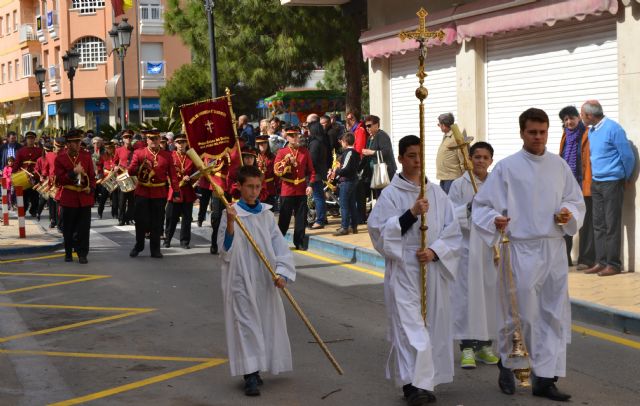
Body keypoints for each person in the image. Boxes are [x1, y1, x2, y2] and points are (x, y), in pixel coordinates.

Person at [472, 108, 585, 402]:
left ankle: (545, 379)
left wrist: (567, 214)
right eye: (533, 132)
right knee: (520, 315)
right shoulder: (507, 168)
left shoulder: (559, 166)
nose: (538, 137)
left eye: (543, 132)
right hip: (519, 248)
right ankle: (508, 365)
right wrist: (495, 219)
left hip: (553, 248)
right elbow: (483, 206)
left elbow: (574, 201)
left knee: (553, 314)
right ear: (522, 132)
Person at [368, 135, 462, 406]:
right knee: (409, 329)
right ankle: (411, 386)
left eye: (421, 154)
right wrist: (410, 213)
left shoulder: (436, 193)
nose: (417, 160)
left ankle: (425, 382)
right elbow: (378, 232)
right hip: (405, 269)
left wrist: (435, 251)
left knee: (431, 326)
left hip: (431, 269)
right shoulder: (391, 194)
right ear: (400, 158)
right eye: (411, 155)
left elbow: (452, 231)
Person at [216, 165, 296, 397]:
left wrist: (282, 272)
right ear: (238, 187)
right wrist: (231, 223)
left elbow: (279, 245)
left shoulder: (266, 215)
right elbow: (225, 250)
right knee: (246, 324)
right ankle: (250, 374)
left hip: (264, 276)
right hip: (240, 277)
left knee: (264, 322)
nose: (253, 191)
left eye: (257, 187)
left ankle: (258, 367)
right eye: (249, 187)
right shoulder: (230, 213)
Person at [448, 142, 499, 370]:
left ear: (491, 160)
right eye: (476, 156)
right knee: (467, 299)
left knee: (489, 298)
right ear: (469, 159)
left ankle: (485, 345)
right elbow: (450, 215)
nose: (480, 161)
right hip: (468, 248)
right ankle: (467, 346)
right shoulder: (459, 185)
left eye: (485, 157)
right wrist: (468, 209)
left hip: (490, 249)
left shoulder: (497, 185)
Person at [581, 100, 635, 277]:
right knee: (598, 224)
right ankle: (601, 261)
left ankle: (613, 264)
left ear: (589, 115)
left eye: (582, 115)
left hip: (612, 182)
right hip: (596, 182)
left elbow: (627, 156)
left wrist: (626, 177)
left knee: (612, 224)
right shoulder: (591, 131)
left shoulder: (614, 129)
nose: (581, 117)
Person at [128, 131, 180, 259]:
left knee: (157, 222)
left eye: (156, 138)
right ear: (147, 140)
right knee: (141, 221)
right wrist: (142, 166)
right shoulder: (139, 153)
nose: (154, 141)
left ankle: (155, 249)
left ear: (160, 140)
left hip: (159, 192)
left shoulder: (167, 155)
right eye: (151, 139)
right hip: (142, 192)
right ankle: (139, 245)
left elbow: (173, 175)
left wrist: (176, 191)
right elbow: (130, 171)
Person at [558, 106, 595, 269]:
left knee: (586, 223)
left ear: (579, 118)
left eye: (571, 118)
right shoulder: (565, 136)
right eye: (565, 120)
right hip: (566, 187)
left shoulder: (587, 133)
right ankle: (563, 258)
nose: (569, 122)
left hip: (584, 185)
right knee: (564, 220)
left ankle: (586, 260)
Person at [54, 130, 96, 264]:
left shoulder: (86, 156)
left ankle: (82, 254)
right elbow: (60, 180)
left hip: (84, 197)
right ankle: (68, 253)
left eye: (79, 141)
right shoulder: (60, 158)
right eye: (75, 142)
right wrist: (73, 172)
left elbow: (92, 176)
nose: (78, 144)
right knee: (69, 228)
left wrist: (91, 188)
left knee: (84, 228)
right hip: (69, 197)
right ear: (68, 144)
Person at [274, 126, 315, 250]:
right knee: (284, 218)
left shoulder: (305, 151)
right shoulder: (282, 152)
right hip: (287, 189)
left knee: (301, 218)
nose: (295, 138)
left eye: (297, 135)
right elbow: (276, 170)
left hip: (301, 188)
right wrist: (285, 163)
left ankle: (299, 241)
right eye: (292, 135)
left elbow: (311, 171)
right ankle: (278, 242)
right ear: (287, 137)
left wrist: (310, 185)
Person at [164, 134, 197, 249]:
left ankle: (184, 241)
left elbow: (197, 173)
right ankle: (167, 239)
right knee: (171, 217)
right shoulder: (170, 156)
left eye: (183, 142)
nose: (181, 144)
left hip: (187, 191)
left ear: (186, 143)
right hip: (174, 190)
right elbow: (166, 173)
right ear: (174, 144)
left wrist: (190, 178)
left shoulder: (191, 157)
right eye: (179, 142)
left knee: (187, 218)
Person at [331, 132, 360, 236]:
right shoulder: (355, 153)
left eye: (342, 141)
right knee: (351, 204)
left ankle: (345, 227)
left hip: (347, 181)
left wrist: (336, 171)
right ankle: (353, 226)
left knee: (344, 205)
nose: (341, 144)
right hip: (352, 180)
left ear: (346, 142)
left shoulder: (349, 153)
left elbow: (345, 168)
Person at [362, 114, 397, 195]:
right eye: (366, 126)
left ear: (376, 125)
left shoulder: (381, 135)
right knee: (379, 197)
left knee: (385, 196)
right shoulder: (370, 138)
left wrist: (371, 152)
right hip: (375, 172)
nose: (367, 128)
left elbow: (386, 152)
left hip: (385, 172)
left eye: (369, 125)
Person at [13, 131, 43, 216]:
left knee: (35, 195)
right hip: (24, 176)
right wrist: (13, 173)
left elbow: (42, 163)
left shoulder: (39, 150)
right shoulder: (21, 151)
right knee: (24, 195)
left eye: (32, 139)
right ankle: (23, 210)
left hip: (35, 175)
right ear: (26, 140)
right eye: (29, 139)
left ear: (34, 139)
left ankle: (33, 210)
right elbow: (17, 163)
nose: (30, 140)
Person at [435, 113, 464, 194]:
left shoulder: (456, 137)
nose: (439, 126)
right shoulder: (447, 136)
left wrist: (464, 177)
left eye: (439, 124)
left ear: (443, 125)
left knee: (450, 203)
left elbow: (462, 157)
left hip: (452, 177)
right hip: (444, 176)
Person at [307, 120, 328, 229]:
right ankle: (322, 218)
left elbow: (312, 160)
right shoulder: (321, 141)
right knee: (320, 196)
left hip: (315, 174)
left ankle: (320, 220)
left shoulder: (315, 143)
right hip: (319, 172)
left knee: (318, 197)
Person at [114, 130, 136, 225]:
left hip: (131, 176)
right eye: (126, 137)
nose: (128, 139)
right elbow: (115, 162)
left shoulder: (135, 150)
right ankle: (121, 219)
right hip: (122, 176)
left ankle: (128, 217)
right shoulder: (118, 150)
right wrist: (115, 167)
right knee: (122, 200)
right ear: (122, 139)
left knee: (132, 200)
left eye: (130, 137)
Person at [256, 135, 278, 208]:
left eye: (264, 143)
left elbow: (276, 174)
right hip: (256, 187)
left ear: (267, 144)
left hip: (269, 188)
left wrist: (278, 187)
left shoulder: (272, 157)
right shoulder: (254, 156)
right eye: (260, 143)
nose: (262, 145)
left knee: (269, 211)